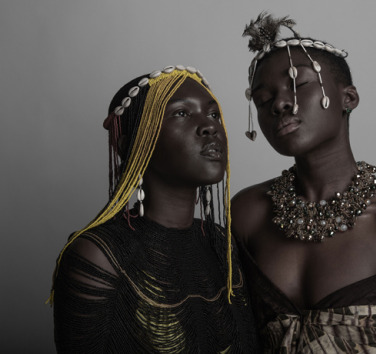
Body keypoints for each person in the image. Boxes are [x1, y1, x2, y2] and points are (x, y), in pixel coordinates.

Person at [232, 12, 376, 353]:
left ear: (348, 99)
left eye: (299, 83)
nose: (279, 103)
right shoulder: (246, 214)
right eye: (262, 100)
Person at [50, 65, 258, 353]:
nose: (210, 126)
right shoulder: (100, 256)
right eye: (181, 113)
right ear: (132, 145)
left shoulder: (221, 243)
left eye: (213, 114)